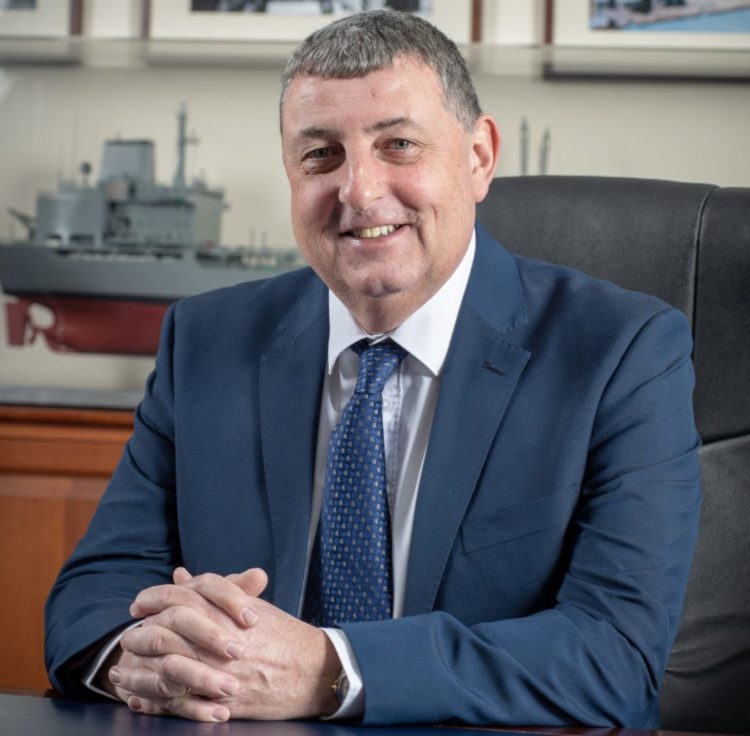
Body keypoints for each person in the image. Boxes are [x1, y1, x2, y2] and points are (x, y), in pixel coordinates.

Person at [44, 9, 701, 728]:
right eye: (321, 155)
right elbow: (89, 599)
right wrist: (145, 661)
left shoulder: (623, 353)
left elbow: (615, 658)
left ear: (479, 157)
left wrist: (330, 670)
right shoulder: (206, 340)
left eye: (399, 145)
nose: (358, 191)